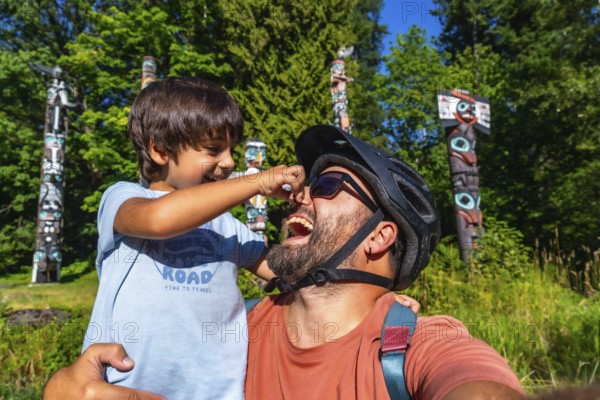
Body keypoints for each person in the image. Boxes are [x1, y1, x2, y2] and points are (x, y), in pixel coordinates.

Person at [45, 125, 525, 400]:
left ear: (381, 236)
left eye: (328, 187)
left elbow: (472, 385)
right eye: (301, 189)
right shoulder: (235, 331)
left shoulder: (417, 345)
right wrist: (62, 391)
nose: (298, 200)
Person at [80, 77, 305, 400]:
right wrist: (257, 181)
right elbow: (159, 220)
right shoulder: (123, 198)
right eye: (213, 149)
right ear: (159, 149)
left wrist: (378, 296)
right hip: (123, 386)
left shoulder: (228, 227)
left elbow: (289, 274)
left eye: (231, 150)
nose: (228, 162)